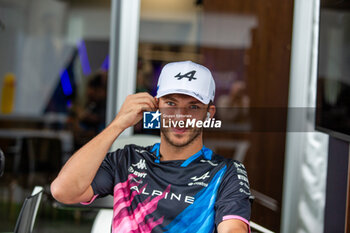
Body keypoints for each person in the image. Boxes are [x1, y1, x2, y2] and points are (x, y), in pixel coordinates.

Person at [51, 61, 251, 233]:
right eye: (171, 103)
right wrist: (117, 124)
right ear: (156, 106)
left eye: (193, 107)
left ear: (209, 113)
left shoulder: (226, 172)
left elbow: (233, 228)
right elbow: (63, 190)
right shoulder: (127, 159)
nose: (180, 117)